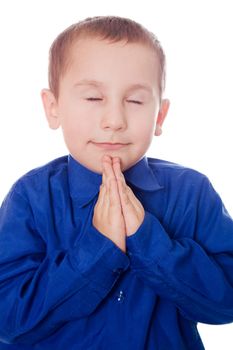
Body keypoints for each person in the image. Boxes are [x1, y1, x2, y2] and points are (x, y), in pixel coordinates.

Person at [0, 15, 232, 350]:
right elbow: (8, 318)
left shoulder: (192, 194)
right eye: (94, 98)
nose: (114, 121)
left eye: (135, 101)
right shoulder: (32, 198)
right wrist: (98, 249)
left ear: (160, 116)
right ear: (53, 108)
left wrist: (148, 240)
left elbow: (226, 302)